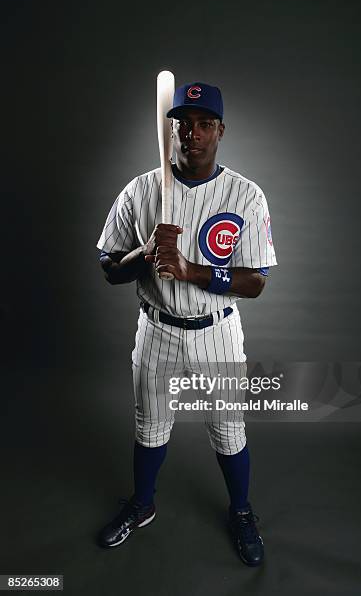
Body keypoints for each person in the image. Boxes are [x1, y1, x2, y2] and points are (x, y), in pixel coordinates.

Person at [96, 82, 277, 566]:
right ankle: (143, 504)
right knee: (149, 426)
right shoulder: (139, 190)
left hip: (216, 330)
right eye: (182, 124)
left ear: (220, 130)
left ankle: (241, 512)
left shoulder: (246, 194)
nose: (191, 134)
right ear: (171, 129)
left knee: (228, 429)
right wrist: (146, 251)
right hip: (156, 329)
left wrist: (191, 270)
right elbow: (110, 269)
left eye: (204, 124)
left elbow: (256, 281)